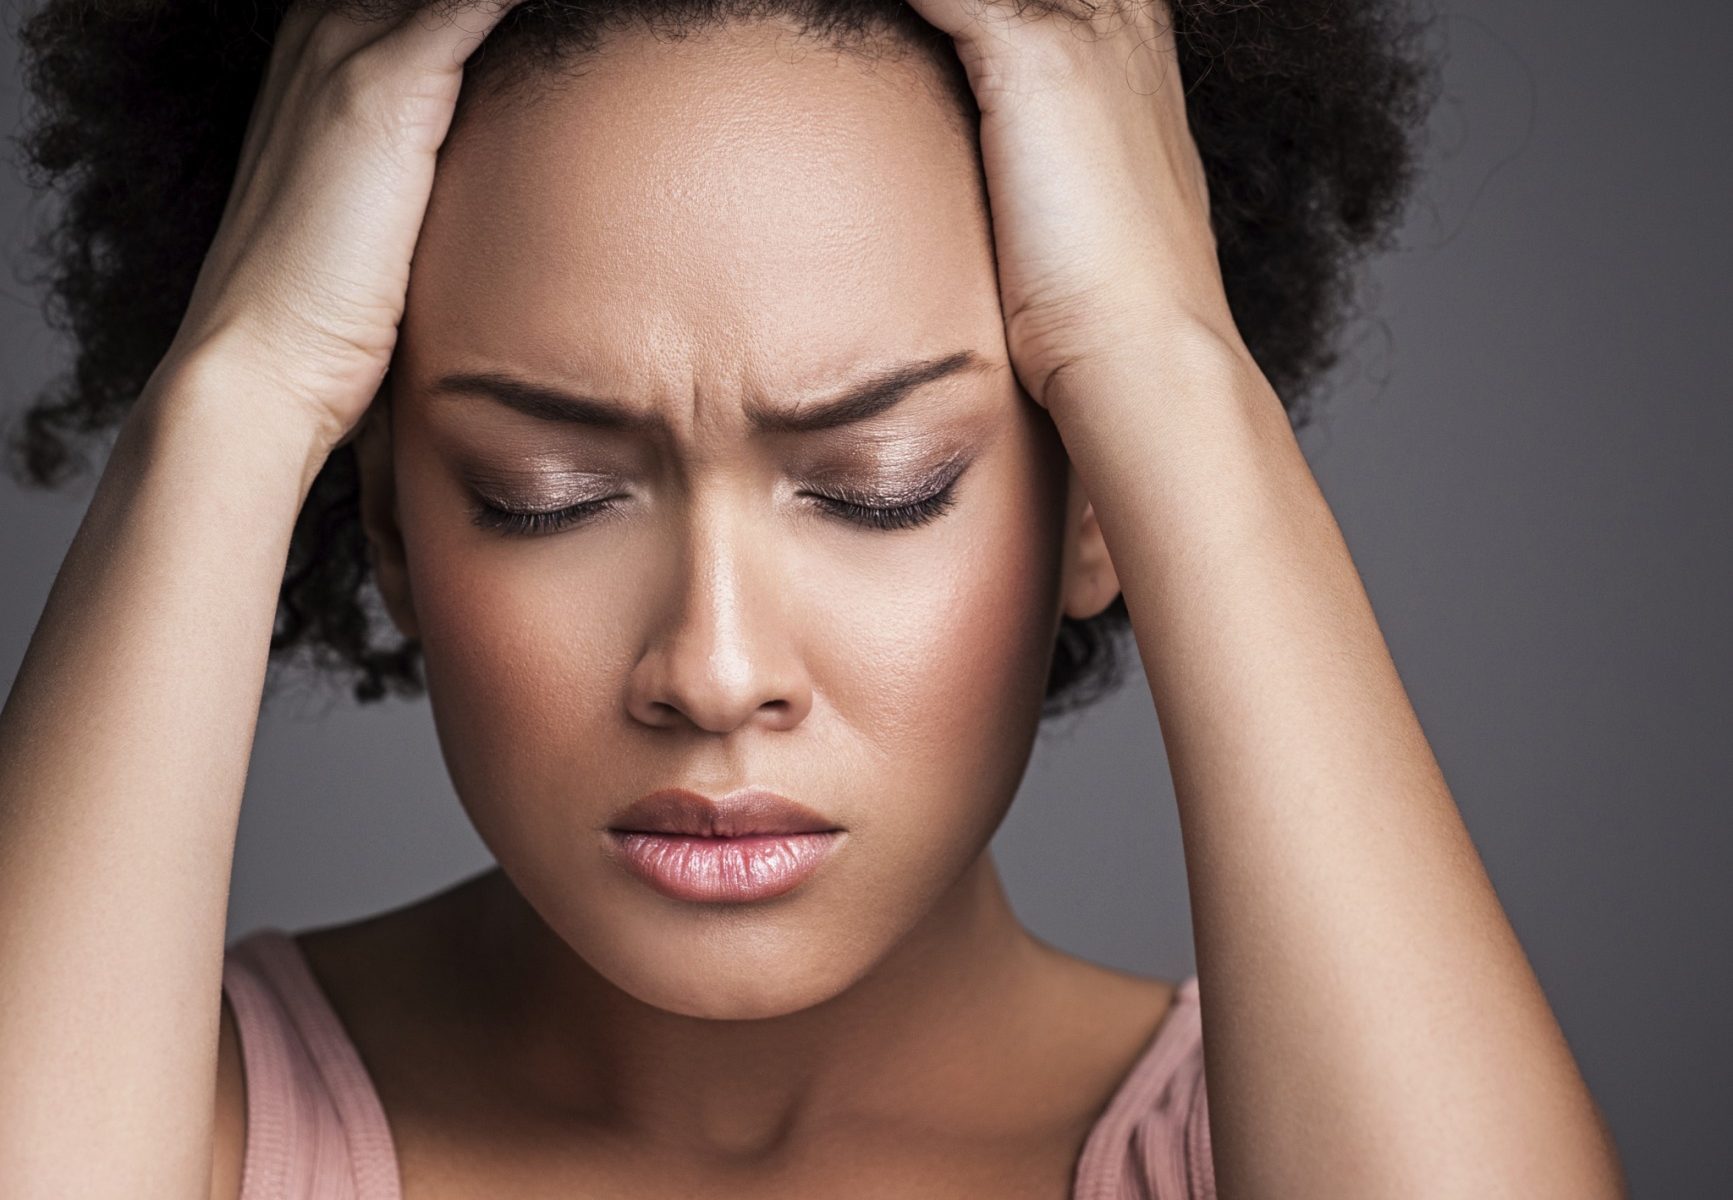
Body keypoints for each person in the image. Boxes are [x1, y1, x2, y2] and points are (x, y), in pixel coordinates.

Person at [0, 0, 1628, 1196]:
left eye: (880, 486)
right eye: (542, 496)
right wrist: (244, 384)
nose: (714, 672)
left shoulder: (1276, 1147)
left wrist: (1166, 363)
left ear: (1101, 505)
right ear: (393, 527)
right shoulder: (182, 1121)